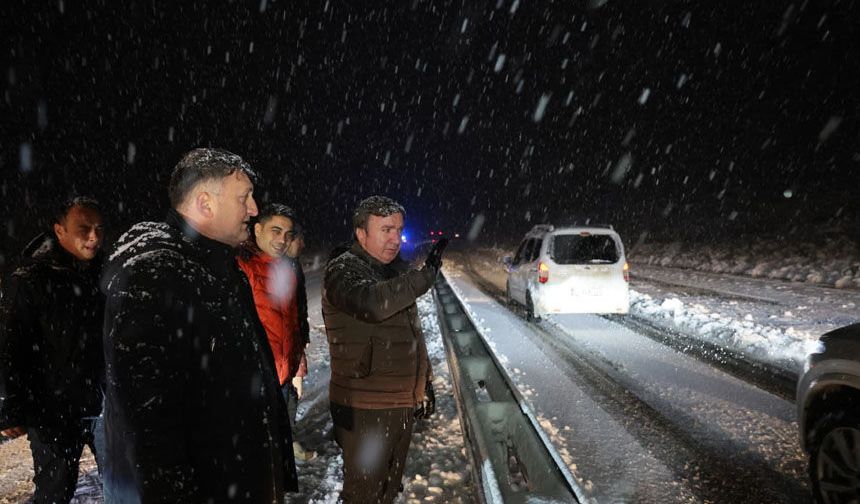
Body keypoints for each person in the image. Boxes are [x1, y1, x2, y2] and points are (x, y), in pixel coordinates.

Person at [100, 148, 298, 503]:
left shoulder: (218, 266)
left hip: (236, 478)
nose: (253, 210)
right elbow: (148, 425)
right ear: (205, 204)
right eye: (244, 198)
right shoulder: (155, 275)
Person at [322, 195, 447, 503]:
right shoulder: (343, 270)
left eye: (399, 230)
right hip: (365, 407)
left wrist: (423, 384)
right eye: (386, 230)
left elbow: (412, 337)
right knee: (364, 493)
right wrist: (423, 277)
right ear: (361, 233)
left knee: (388, 490)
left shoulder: (394, 271)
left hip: (399, 403)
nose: (396, 238)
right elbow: (373, 304)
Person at [0, 197, 105, 504]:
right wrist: (12, 408)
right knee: (55, 491)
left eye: (99, 228)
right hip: (53, 412)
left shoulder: (107, 273)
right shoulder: (31, 280)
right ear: (59, 231)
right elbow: (11, 347)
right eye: (83, 228)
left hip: (102, 406)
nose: (93, 237)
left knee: (120, 485)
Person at [237, 203, 316, 462]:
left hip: (281, 374)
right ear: (257, 229)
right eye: (275, 230)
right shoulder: (240, 266)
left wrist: (296, 361)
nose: (282, 239)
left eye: (287, 233)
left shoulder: (287, 268)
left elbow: (291, 319)